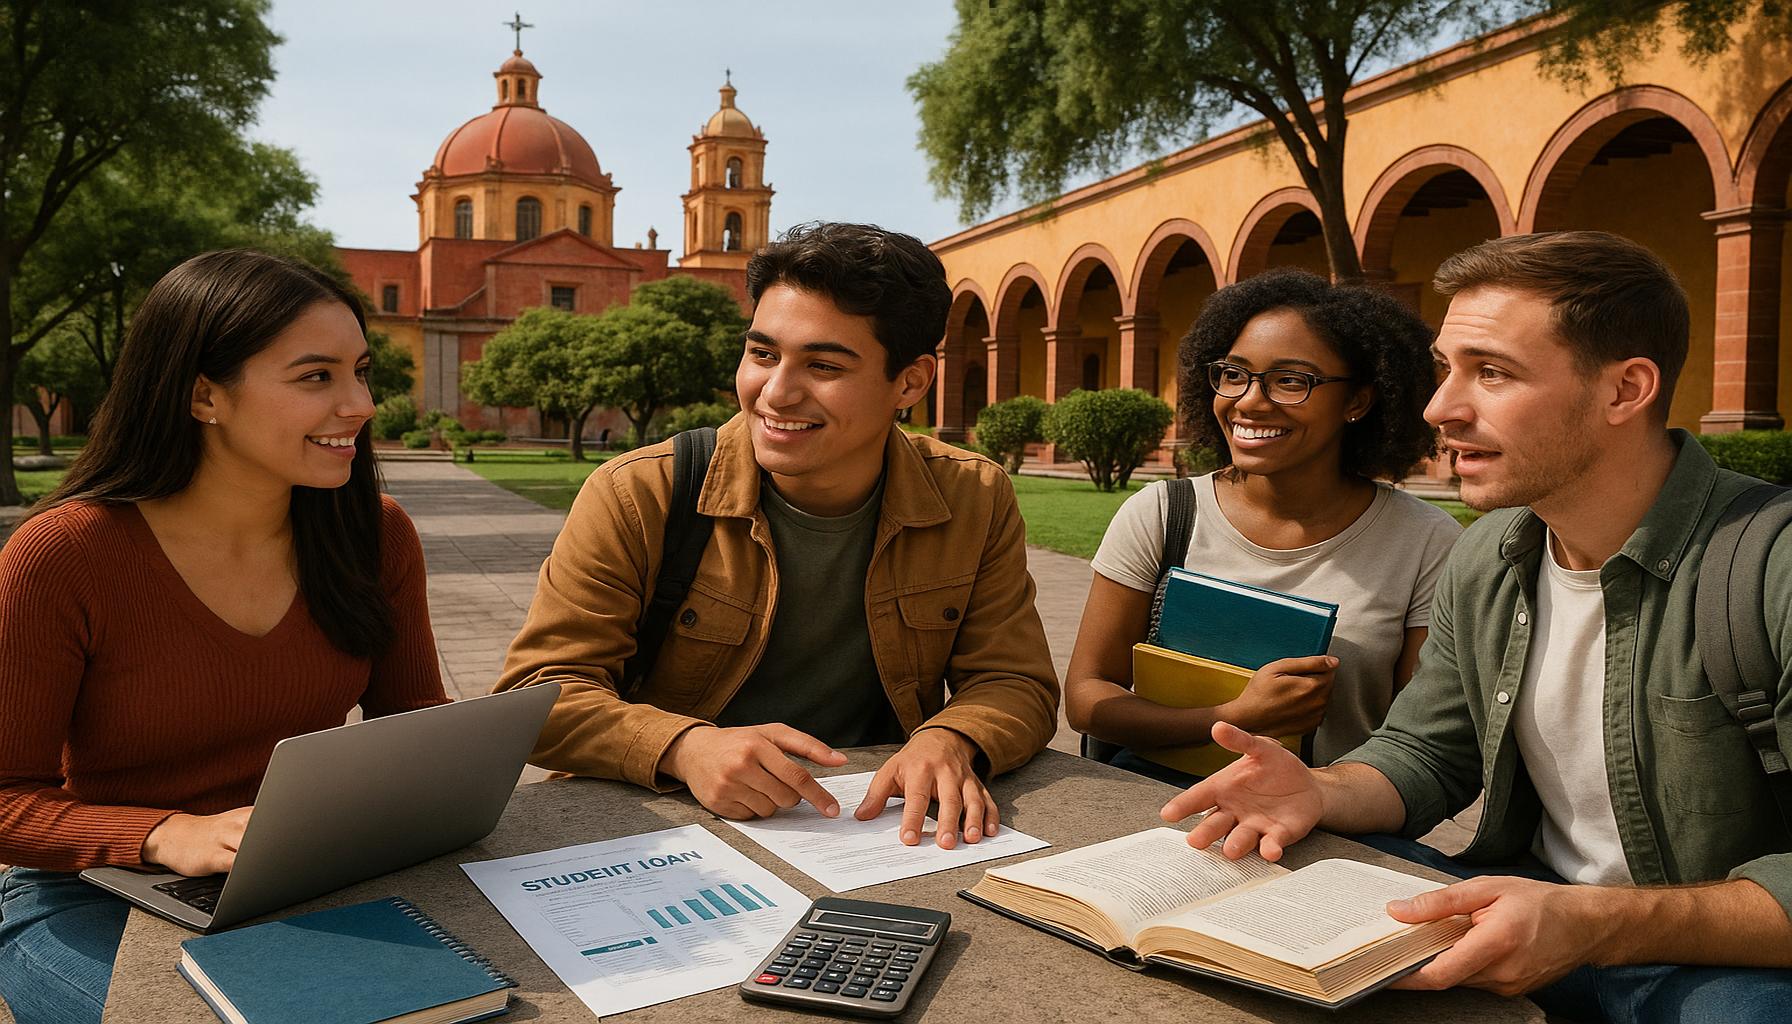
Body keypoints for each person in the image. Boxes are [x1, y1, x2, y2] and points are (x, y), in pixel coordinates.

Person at [1161, 231, 1792, 1022]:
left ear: (1625, 390)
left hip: (1719, 957)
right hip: (1524, 909)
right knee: (1284, 875)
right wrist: (1317, 790)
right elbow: (1426, 752)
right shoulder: (1489, 553)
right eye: (1447, 369)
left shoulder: (1769, 565)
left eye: (1491, 373)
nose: (1440, 409)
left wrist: (1595, 921)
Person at [494, 222, 1059, 849]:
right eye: (763, 355)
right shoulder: (641, 493)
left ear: (911, 382)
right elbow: (538, 696)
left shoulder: (971, 496)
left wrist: (952, 736)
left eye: (823, 365)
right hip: (670, 826)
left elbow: (1015, 682)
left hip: (873, 828)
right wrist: (682, 746)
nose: (777, 393)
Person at [0, 250, 448, 1024]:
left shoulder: (374, 535)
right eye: (316, 377)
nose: (361, 404)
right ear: (205, 395)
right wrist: (163, 832)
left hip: (303, 873)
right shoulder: (63, 556)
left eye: (360, 372)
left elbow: (417, 727)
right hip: (92, 893)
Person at [1066, 269, 1460, 785]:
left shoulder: (1424, 541)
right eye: (1234, 374)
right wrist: (1233, 717)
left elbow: (1418, 743)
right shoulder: (1163, 514)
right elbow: (1087, 697)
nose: (1249, 401)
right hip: (1152, 803)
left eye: (1291, 381)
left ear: (1357, 402)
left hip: (1329, 818)